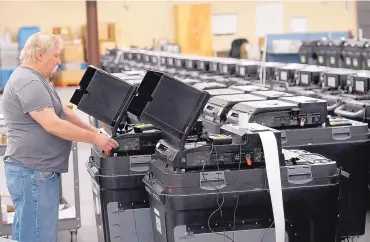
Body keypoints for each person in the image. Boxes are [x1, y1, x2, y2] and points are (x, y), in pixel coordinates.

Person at [1, 32, 119, 242]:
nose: (59, 61)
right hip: (33, 172)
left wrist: (96, 133)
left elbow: (65, 113)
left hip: (36, 170)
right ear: (39, 54)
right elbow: (53, 124)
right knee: (38, 235)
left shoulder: (37, 79)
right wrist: (93, 139)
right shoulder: (28, 82)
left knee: (28, 231)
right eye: (55, 55)